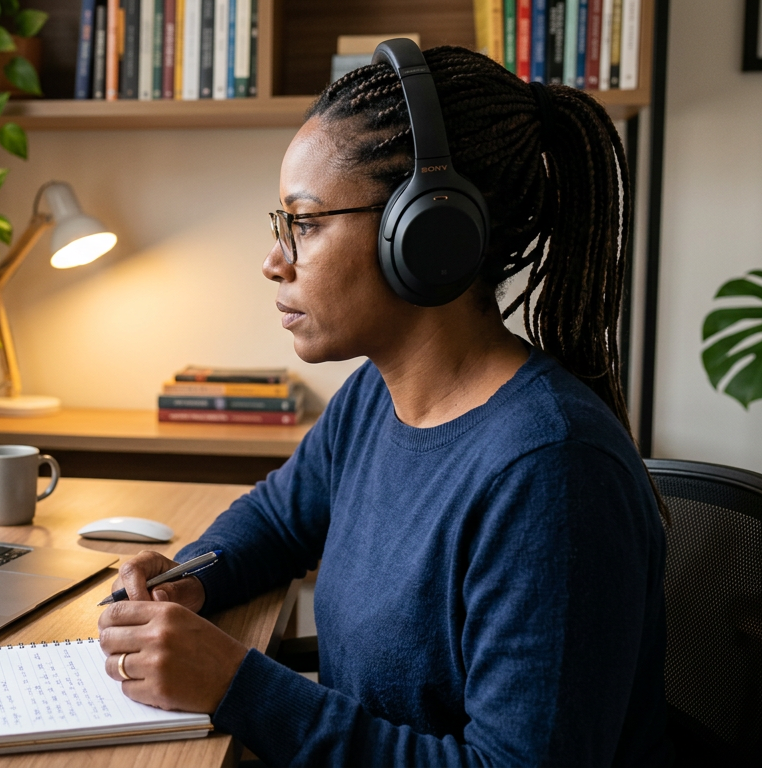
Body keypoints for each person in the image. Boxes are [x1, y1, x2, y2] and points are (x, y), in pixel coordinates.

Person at [97, 46, 670, 766]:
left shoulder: (549, 472)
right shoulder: (378, 395)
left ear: (427, 231)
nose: (276, 261)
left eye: (304, 223)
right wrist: (190, 577)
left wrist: (238, 685)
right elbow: (278, 519)